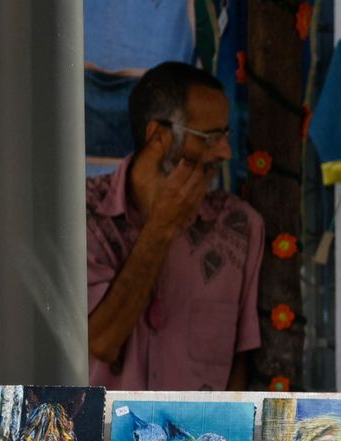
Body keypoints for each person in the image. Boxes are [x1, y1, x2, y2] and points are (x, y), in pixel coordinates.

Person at [87, 62, 264, 391]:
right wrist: (160, 228)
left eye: (225, 135)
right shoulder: (86, 214)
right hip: (105, 435)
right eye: (209, 138)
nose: (224, 152)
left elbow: (239, 367)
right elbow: (101, 341)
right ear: (158, 137)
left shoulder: (239, 227)